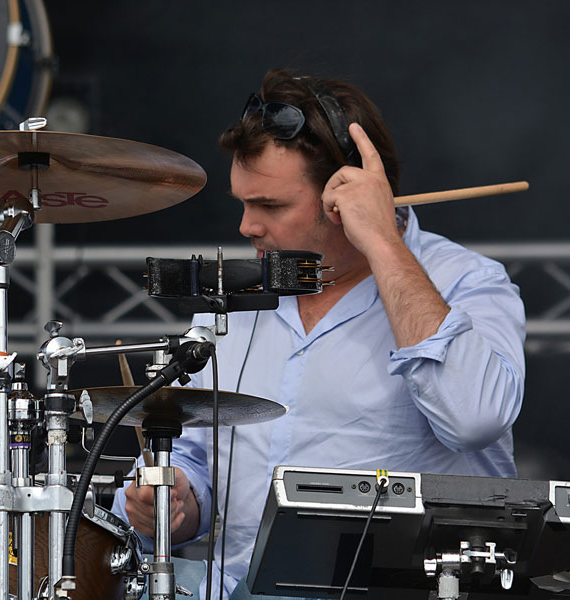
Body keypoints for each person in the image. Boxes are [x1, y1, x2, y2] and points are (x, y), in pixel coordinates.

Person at [112, 68, 526, 599]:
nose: (246, 226)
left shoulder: (467, 281)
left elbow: (476, 419)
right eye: (243, 203)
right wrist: (173, 505)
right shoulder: (235, 298)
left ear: (348, 195)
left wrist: (382, 242)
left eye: (271, 205)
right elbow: (192, 455)